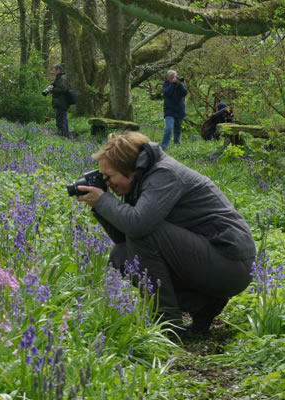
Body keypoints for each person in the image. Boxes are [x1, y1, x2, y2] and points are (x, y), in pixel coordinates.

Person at [76, 131, 256, 334]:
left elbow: (138, 227)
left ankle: (166, 324)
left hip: (231, 262)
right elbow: (125, 238)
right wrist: (100, 206)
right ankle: (203, 305)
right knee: (122, 255)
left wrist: (103, 201)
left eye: (109, 177)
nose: (106, 183)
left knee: (144, 231)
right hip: (213, 260)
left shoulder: (164, 174)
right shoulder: (144, 178)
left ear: (130, 169)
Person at [161, 70, 187, 149]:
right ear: (168, 77)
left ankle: (176, 144)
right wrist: (172, 83)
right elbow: (167, 93)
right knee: (169, 129)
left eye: (174, 76)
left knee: (178, 129)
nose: (174, 78)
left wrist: (180, 85)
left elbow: (184, 93)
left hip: (179, 110)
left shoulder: (179, 84)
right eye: (172, 77)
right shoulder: (165, 84)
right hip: (169, 110)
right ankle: (164, 146)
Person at [46, 64, 70, 137]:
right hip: (60, 102)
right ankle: (63, 134)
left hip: (62, 102)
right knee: (60, 119)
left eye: (54, 70)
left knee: (62, 119)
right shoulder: (59, 78)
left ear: (58, 70)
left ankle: (64, 135)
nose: (53, 72)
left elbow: (64, 89)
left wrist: (53, 90)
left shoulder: (63, 78)